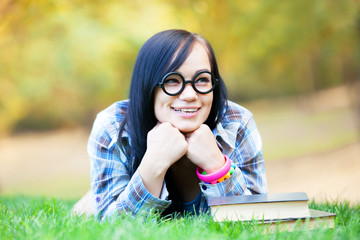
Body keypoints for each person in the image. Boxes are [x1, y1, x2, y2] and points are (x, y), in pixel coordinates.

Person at [79, 29, 267, 220]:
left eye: (202, 79)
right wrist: (153, 165)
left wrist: (216, 166)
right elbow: (112, 227)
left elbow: (258, 219)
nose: (189, 95)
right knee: (85, 210)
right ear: (147, 86)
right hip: (109, 195)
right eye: (172, 81)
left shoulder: (237, 123)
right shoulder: (112, 126)